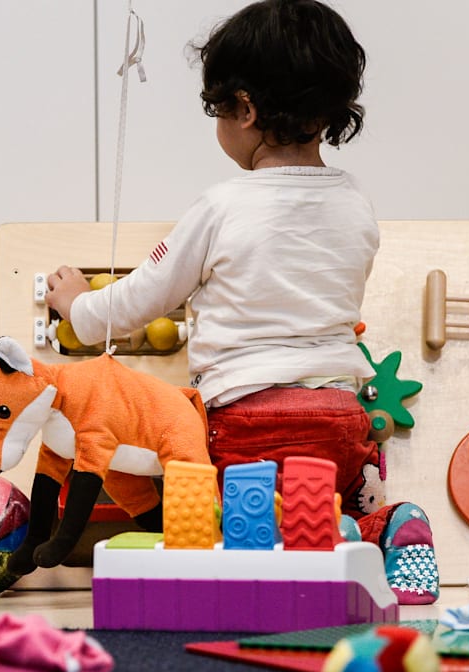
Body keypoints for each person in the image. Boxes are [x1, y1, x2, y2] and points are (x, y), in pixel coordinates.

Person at [47, 0, 437, 604]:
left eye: (219, 110)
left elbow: (137, 301)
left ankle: (318, 536)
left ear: (246, 109)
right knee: (331, 505)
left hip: (245, 419)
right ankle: (380, 528)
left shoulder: (222, 206)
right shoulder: (356, 203)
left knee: (238, 528)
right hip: (340, 416)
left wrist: (77, 305)